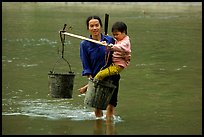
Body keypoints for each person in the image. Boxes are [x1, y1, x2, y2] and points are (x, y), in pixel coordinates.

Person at [79, 15, 120, 118]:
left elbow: (119, 54)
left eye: (97, 25)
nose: (94, 28)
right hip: (96, 77)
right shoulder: (84, 44)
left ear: (100, 26)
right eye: (91, 26)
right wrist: (90, 79)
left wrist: (109, 46)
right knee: (98, 108)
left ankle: (109, 127)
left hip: (112, 76)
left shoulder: (110, 40)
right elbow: (86, 64)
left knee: (111, 106)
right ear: (88, 28)